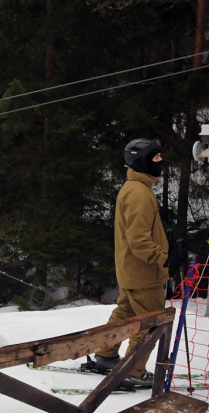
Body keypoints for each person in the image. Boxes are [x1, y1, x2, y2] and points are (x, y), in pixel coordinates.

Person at [83, 138, 169, 388]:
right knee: (151, 323)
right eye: (155, 158)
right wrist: (164, 257)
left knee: (125, 314)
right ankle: (132, 371)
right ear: (141, 161)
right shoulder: (139, 193)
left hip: (133, 271)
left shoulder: (135, 189)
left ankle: (106, 355)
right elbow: (139, 241)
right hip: (144, 273)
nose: (160, 162)